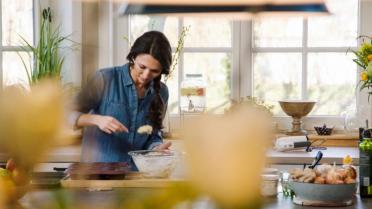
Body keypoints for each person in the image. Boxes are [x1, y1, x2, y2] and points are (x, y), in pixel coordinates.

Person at [71, 31, 172, 167]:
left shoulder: (162, 92)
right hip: (98, 174)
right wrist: (97, 120)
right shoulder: (105, 78)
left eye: (155, 71)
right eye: (142, 67)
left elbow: (153, 134)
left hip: (137, 176)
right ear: (133, 57)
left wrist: (156, 148)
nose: (146, 74)